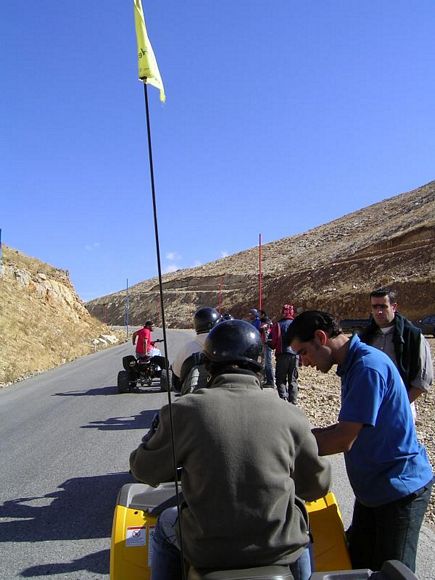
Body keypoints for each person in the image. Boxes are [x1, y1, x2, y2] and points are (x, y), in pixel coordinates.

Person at [130, 319, 331, 580]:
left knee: (165, 524)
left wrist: (151, 439)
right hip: (276, 550)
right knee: (299, 528)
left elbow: (144, 471)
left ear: (208, 365)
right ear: (259, 365)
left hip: (207, 551)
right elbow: (317, 486)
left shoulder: (184, 411)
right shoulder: (290, 414)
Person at [286, 310, 433, 573]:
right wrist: (301, 436)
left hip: (399, 491)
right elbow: (349, 426)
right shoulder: (353, 365)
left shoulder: (367, 367)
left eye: (303, 353)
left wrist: (285, 447)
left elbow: (343, 439)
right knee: (357, 566)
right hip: (374, 491)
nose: (304, 363)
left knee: (393, 572)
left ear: (321, 337)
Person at [359, 287, 433, 410]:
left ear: (394, 307)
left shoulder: (412, 336)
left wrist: (398, 405)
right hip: (369, 405)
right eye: (375, 307)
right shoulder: (366, 337)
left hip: (400, 407)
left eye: (383, 307)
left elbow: (423, 380)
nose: (379, 312)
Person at [171, 306, 222, 392]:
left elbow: (176, 376)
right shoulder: (225, 344)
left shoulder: (187, 348)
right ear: (213, 324)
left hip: (193, 399)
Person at [269, 304, 299, 403]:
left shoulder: (278, 324)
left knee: (280, 379)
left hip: (282, 354)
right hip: (295, 355)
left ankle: (283, 400)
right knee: (293, 380)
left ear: (283, 312)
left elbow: (273, 342)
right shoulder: (297, 324)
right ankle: (293, 402)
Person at [259, 309, 274, 386]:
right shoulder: (266, 322)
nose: (259, 315)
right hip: (265, 344)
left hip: (267, 344)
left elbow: (265, 333)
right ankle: (266, 379)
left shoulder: (266, 323)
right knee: (264, 362)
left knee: (268, 363)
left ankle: (270, 381)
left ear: (263, 314)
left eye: (260, 314)